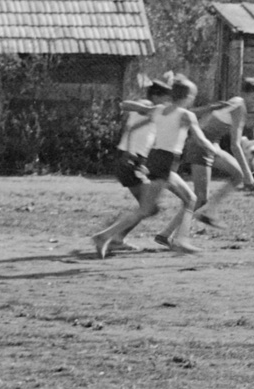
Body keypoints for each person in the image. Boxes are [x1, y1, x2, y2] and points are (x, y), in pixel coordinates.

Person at [92, 77, 219, 257]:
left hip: (155, 159)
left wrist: (129, 109)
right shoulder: (185, 115)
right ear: (189, 97)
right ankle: (104, 236)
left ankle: (180, 240)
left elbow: (136, 121)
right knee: (145, 209)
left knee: (190, 199)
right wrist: (212, 149)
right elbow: (200, 139)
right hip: (166, 162)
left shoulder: (159, 110)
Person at [93, 77, 171, 253]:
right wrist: (148, 108)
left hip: (135, 160)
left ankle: (114, 235)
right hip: (129, 159)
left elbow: (138, 132)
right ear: (156, 96)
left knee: (148, 207)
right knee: (148, 207)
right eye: (165, 97)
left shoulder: (156, 113)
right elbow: (125, 105)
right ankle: (112, 236)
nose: (167, 101)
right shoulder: (146, 105)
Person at [188, 76, 254, 225]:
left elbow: (207, 117)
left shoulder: (237, 102)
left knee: (237, 175)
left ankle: (208, 211)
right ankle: (171, 236)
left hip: (211, 145)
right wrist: (249, 175)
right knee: (200, 199)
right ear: (244, 94)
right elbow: (235, 145)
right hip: (200, 145)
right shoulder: (239, 107)